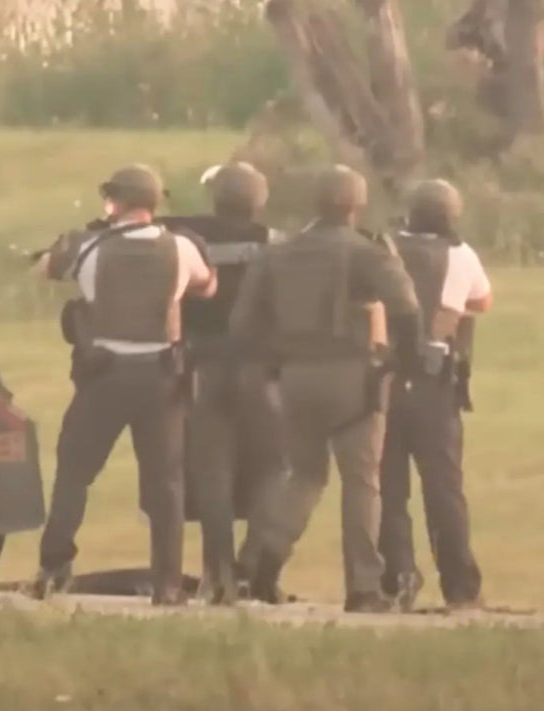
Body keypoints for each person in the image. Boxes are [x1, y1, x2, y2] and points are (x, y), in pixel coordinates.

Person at [229, 164, 421, 613]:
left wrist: (274, 363)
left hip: (295, 376)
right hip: (353, 375)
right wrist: (402, 363)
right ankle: (364, 588)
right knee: (361, 482)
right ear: (357, 205)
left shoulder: (277, 252)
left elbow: (242, 324)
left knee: (304, 475)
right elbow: (407, 308)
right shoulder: (365, 252)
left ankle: (262, 566)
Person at [30, 164, 217, 606]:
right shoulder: (181, 247)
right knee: (165, 483)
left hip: (104, 375)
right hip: (160, 375)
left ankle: (52, 568)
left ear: (118, 202)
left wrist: (73, 239)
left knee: (74, 473)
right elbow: (207, 288)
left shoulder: (90, 246)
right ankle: (168, 583)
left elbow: (44, 269)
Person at [158, 162, 290, 604]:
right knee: (276, 467)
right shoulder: (275, 245)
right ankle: (254, 560)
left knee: (212, 471)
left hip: (203, 366)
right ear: (260, 202)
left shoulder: (188, 240)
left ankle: (218, 575)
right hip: (262, 370)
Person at [378, 178, 492, 611]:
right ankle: (460, 587)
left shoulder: (383, 248)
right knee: (443, 487)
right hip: (435, 383)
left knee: (388, 487)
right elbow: (483, 301)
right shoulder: (459, 255)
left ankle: (397, 579)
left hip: (384, 377)